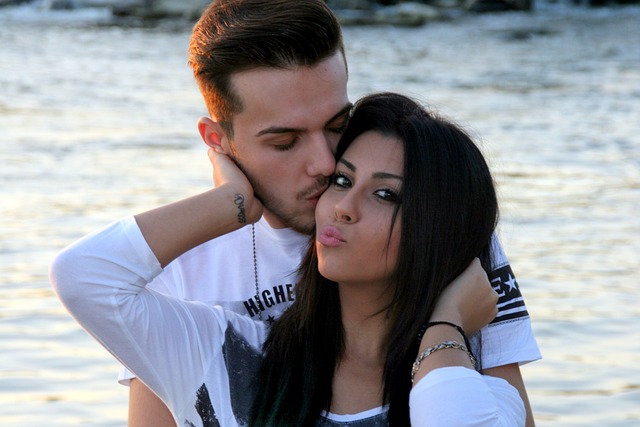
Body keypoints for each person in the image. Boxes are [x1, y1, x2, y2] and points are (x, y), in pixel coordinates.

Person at [113, 0, 539, 425]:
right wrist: (228, 204)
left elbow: (506, 414)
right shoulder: (178, 267)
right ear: (218, 141)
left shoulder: (430, 228)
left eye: (337, 126)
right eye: (285, 142)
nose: (324, 163)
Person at [51, 92, 529, 426]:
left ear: (439, 230)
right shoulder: (227, 352)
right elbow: (82, 276)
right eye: (342, 181)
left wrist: (444, 327)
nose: (342, 206)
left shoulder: (480, 396)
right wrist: (233, 202)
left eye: (385, 194)